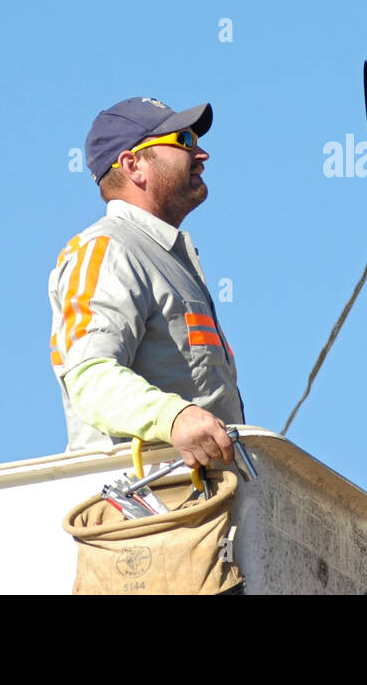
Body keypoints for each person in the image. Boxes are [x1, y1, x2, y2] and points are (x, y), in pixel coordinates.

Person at [47, 96, 243, 468]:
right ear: (133, 165)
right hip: (146, 510)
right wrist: (175, 418)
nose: (201, 154)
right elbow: (91, 379)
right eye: (183, 141)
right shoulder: (107, 249)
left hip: (196, 506)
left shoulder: (164, 258)